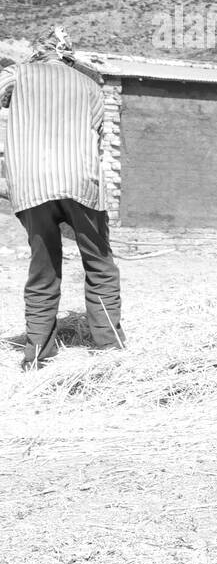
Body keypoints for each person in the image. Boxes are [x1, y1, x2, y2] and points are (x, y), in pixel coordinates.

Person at [0, 26, 124, 370]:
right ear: (68, 54)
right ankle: (109, 345)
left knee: (44, 266)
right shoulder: (89, 85)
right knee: (99, 262)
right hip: (80, 180)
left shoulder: (15, 75)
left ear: (36, 52)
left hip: (31, 184)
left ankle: (38, 351)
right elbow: (100, 134)